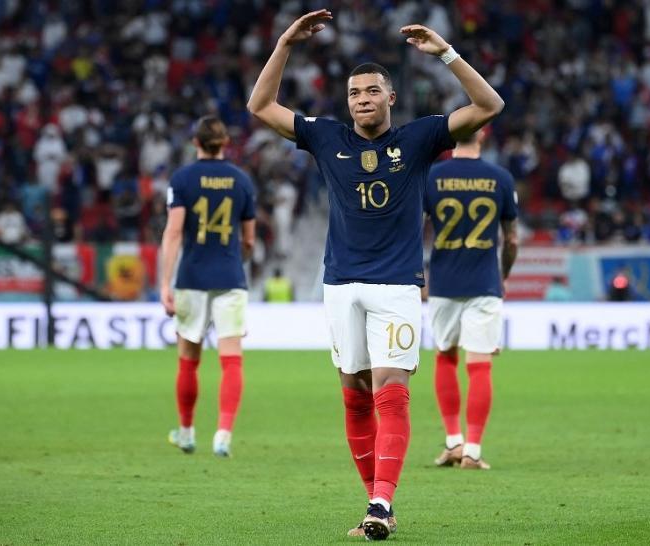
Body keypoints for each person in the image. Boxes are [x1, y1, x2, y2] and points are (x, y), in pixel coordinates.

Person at [247, 8, 504, 540]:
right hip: (340, 285)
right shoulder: (327, 138)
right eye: (354, 93)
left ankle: (382, 503)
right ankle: (374, 501)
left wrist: (447, 54)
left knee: (391, 390)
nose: (362, 99)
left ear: (390, 97)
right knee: (355, 394)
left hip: (396, 286)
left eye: (371, 91)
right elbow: (260, 106)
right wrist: (285, 43)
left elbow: (489, 105)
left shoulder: (419, 138)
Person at [160, 116, 256, 458]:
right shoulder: (242, 180)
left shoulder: (182, 179)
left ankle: (186, 433)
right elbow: (249, 240)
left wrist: (165, 283)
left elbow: (174, 232)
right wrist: (236, 261)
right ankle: (223, 435)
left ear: (195, 142)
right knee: (232, 359)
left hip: (192, 278)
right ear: (225, 143)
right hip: (230, 278)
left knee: (189, 360)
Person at [424, 129, 518, 471]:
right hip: (484, 282)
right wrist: (503, 275)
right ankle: (473, 451)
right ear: (484, 134)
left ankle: (453, 442)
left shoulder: (431, 176)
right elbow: (512, 240)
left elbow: (414, 230)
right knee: (479, 364)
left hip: (443, 282)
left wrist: (418, 275)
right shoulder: (500, 178)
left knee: (445, 356)